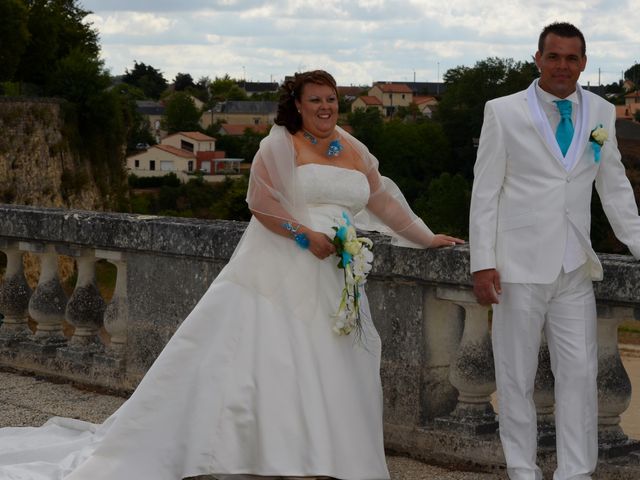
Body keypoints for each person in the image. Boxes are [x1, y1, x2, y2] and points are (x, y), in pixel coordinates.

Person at [0, 70, 463, 480]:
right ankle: (284, 453)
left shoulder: (353, 149)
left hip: (338, 271)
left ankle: (326, 452)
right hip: (287, 261)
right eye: (316, 99)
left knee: (331, 359)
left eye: (331, 99)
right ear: (297, 105)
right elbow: (261, 206)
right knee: (284, 357)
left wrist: (426, 238)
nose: (325, 107)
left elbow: (383, 202)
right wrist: (305, 236)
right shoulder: (279, 144)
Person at [469, 22, 640, 480]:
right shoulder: (503, 112)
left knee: (580, 378)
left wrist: (639, 243)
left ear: (583, 62)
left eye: (572, 58)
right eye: (554, 56)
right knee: (516, 376)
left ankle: (575, 472)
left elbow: (615, 186)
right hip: (517, 266)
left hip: (575, 266)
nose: (563, 66)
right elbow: (485, 192)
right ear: (538, 59)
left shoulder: (602, 113)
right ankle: (522, 470)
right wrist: (482, 261)